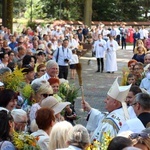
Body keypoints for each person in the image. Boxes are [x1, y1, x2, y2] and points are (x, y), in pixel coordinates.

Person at [82, 77, 131, 142]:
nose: (105, 101)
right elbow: (102, 117)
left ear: (115, 102)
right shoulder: (123, 112)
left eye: (108, 99)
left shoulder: (110, 124)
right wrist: (89, 109)